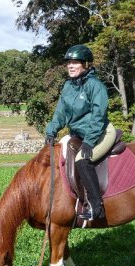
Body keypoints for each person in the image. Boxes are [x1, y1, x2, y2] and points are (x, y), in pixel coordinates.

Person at [45, 44, 116, 220]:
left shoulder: (95, 85)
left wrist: (89, 141)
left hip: (101, 133)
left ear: (85, 64)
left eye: (75, 62)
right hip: (79, 133)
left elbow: (98, 116)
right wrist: (51, 131)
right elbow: (60, 113)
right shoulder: (68, 87)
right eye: (68, 62)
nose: (70, 65)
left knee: (82, 161)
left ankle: (96, 207)